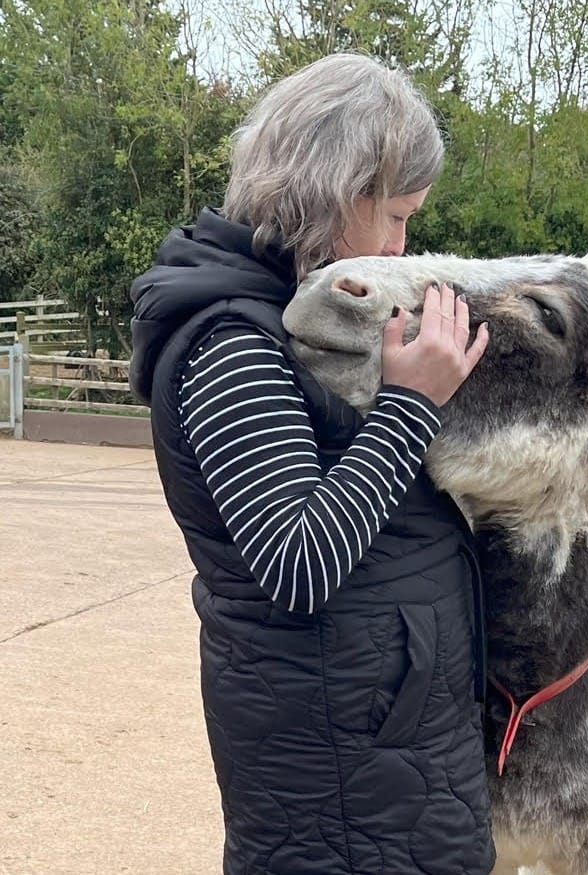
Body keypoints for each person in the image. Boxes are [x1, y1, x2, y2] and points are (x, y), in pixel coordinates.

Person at [128, 54, 495, 874]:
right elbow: (296, 563)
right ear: (333, 192)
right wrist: (411, 405)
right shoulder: (230, 343)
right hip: (337, 781)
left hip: (380, 755)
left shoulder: (302, 313)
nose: (405, 245)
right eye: (395, 216)